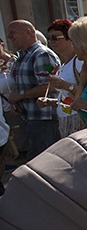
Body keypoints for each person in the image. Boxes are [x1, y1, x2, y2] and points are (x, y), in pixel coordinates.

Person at [6, 19, 61, 160]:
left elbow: (50, 86)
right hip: (31, 118)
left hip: (44, 119)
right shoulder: (23, 56)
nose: (9, 37)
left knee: (42, 162)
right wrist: (18, 105)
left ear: (28, 32)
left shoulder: (41, 55)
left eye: (13, 33)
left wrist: (21, 96)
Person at [36, 19, 86, 137]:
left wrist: (65, 85)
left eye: (55, 37)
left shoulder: (79, 62)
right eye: (49, 38)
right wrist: (51, 102)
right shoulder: (63, 66)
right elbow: (66, 98)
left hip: (79, 119)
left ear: (70, 38)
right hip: (65, 120)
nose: (51, 41)